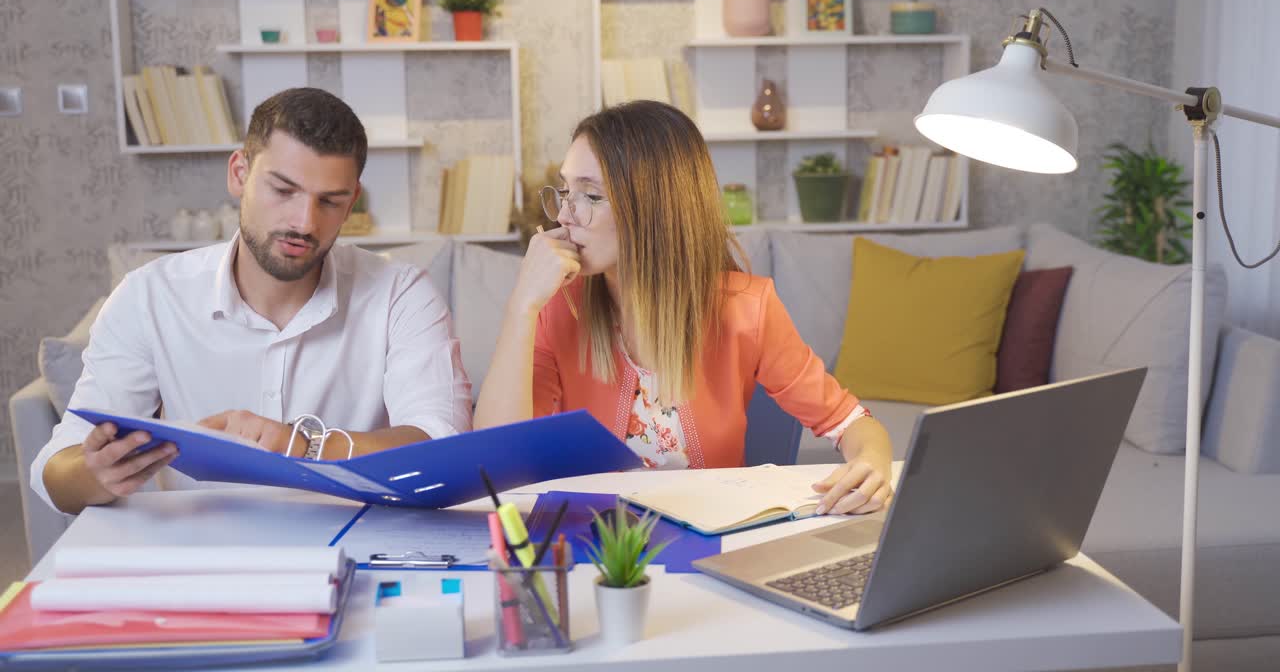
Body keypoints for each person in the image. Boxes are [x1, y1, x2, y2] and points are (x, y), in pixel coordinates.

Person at [34, 87, 472, 515]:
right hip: (198, 555)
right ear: (239, 173)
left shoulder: (402, 294)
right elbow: (57, 470)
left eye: (329, 202)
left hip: (353, 545)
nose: (303, 222)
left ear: (352, 201)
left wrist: (300, 445)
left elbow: (444, 448)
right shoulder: (148, 296)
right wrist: (93, 475)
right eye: (283, 190)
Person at [474, 101, 893, 515]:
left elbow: (852, 423)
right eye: (566, 191)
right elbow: (495, 466)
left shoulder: (748, 308)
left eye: (590, 195)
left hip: (712, 546)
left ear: (653, 206)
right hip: (590, 548)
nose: (565, 216)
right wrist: (521, 307)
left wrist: (872, 465)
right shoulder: (558, 306)